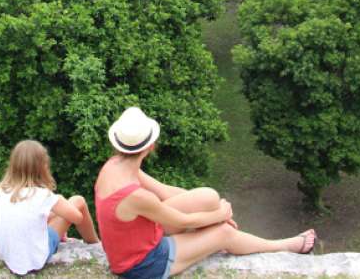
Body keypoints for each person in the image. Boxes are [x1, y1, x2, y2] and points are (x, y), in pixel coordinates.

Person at [95, 107, 316, 278]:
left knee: (208, 196)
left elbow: (164, 191)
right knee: (224, 234)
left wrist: (211, 206)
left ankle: (213, 230)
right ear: (150, 147)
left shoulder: (114, 166)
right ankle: (284, 246)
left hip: (138, 237)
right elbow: (182, 220)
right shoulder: (134, 196)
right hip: (142, 265)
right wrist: (220, 216)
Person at [0, 140, 100, 275]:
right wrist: (60, 200)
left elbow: (30, 215)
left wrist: (54, 212)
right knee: (78, 201)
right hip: (35, 259)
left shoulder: (1, 190)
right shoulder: (43, 195)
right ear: (42, 166)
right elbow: (78, 218)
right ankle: (96, 245)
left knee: (49, 215)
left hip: (8, 257)